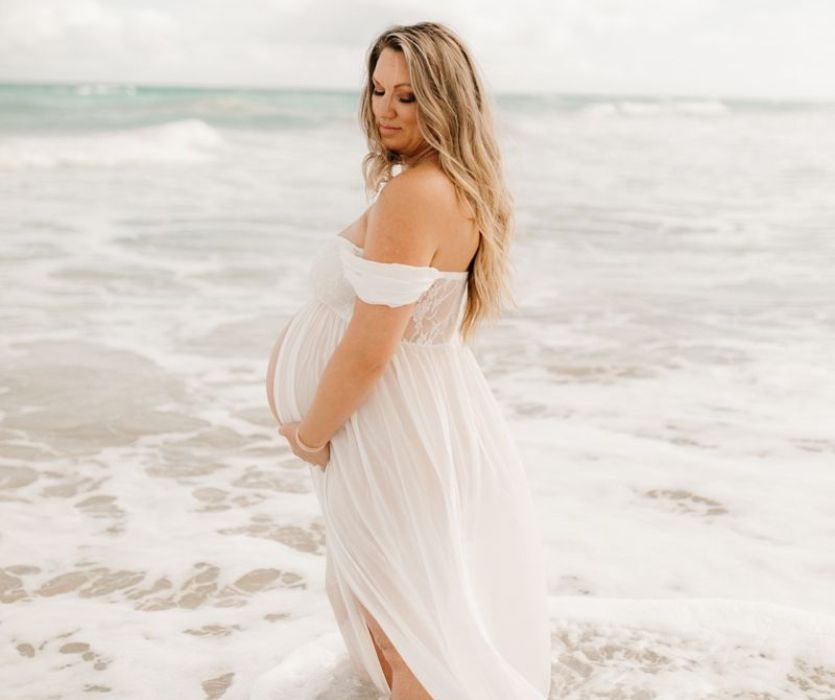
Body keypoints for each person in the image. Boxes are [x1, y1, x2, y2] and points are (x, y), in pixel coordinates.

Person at [265, 21, 552, 700]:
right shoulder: (449, 185)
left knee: (404, 628)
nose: (385, 110)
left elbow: (370, 347)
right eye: (377, 91)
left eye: (409, 97)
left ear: (447, 101)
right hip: (409, 417)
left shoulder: (414, 193)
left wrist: (311, 434)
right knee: (408, 615)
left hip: (384, 425)